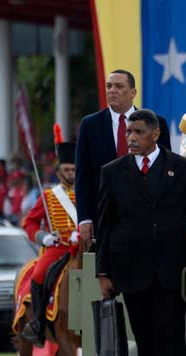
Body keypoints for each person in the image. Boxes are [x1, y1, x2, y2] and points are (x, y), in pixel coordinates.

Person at [95, 109, 186, 356]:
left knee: (171, 338)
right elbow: (104, 224)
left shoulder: (184, 170)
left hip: (170, 269)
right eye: (129, 132)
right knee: (146, 340)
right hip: (131, 269)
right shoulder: (113, 172)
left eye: (138, 132)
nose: (131, 138)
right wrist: (103, 272)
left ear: (155, 134)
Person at [75, 70, 171, 243]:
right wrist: (84, 218)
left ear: (133, 92)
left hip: (147, 215)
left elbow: (165, 170)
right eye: (109, 86)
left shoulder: (156, 123)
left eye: (119, 86)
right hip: (103, 215)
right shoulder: (90, 125)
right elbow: (83, 176)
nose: (112, 90)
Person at [20, 141, 79, 344]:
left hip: (83, 246)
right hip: (58, 247)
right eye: (66, 170)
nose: (70, 174)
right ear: (58, 172)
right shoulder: (49, 196)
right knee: (38, 274)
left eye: (73, 170)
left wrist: (82, 233)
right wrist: (43, 237)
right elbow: (29, 223)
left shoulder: (87, 193)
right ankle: (38, 324)